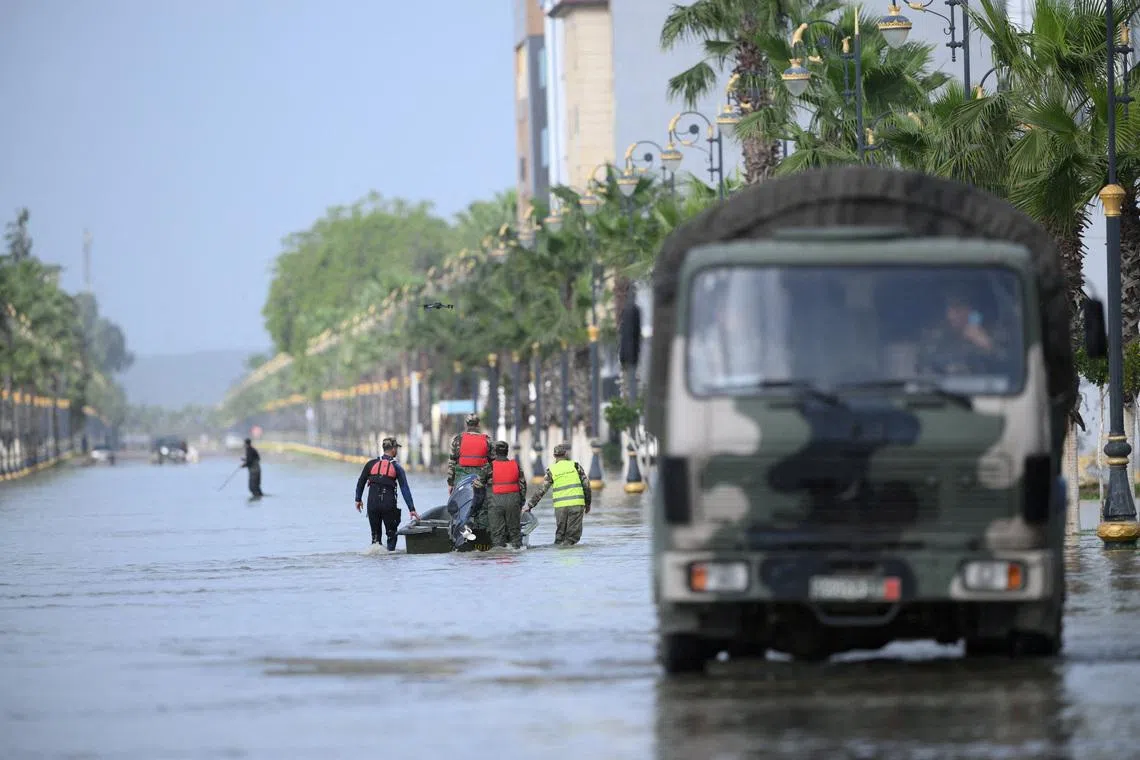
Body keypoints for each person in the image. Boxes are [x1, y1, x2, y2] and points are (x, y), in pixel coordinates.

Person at [917, 288, 1010, 377]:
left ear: (973, 311)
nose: (951, 315)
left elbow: (1009, 367)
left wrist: (987, 345)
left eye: (958, 309)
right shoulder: (936, 335)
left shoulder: (996, 333)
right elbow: (923, 367)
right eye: (949, 308)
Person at [355, 437, 418, 550]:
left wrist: (358, 499)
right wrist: (412, 509)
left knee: (375, 537)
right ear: (393, 449)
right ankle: (390, 559)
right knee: (391, 535)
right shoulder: (397, 468)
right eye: (396, 448)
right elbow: (405, 489)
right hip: (388, 504)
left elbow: (361, 482)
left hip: (372, 503)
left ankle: (376, 560)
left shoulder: (370, 464)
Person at [524, 442, 591, 547]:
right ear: (566, 454)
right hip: (576, 504)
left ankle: (558, 557)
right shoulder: (575, 466)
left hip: (560, 506)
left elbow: (542, 490)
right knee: (572, 537)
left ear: (554, 456)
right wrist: (588, 503)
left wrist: (529, 505)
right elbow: (586, 485)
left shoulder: (552, 470)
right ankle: (571, 559)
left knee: (560, 536)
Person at [447, 413, 493, 536]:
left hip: (461, 477)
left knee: (460, 505)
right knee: (482, 506)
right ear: (478, 424)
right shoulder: (487, 440)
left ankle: (460, 532)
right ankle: (482, 533)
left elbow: (452, 462)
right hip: (480, 477)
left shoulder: (458, 440)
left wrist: (450, 483)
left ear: (466, 425)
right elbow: (493, 462)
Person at [478, 440, 527, 549]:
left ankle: (499, 556)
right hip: (513, 501)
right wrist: (521, 502)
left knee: (497, 534)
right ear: (507, 452)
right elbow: (523, 485)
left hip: (495, 502)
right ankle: (517, 552)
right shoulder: (516, 466)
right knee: (515, 533)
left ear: (495, 452)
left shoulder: (489, 467)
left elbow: (479, 485)